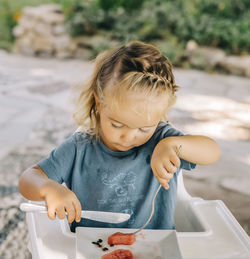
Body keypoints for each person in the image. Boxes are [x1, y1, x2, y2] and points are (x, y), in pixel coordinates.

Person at [18, 41, 220, 232]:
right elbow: (29, 178)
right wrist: (48, 189)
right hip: (90, 247)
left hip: (154, 247)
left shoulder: (162, 139)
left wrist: (173, 145)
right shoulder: (80, 148)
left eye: (144, 128)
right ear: (99, 103)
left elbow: (212, 152)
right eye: (117, 124)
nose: (128, 136)